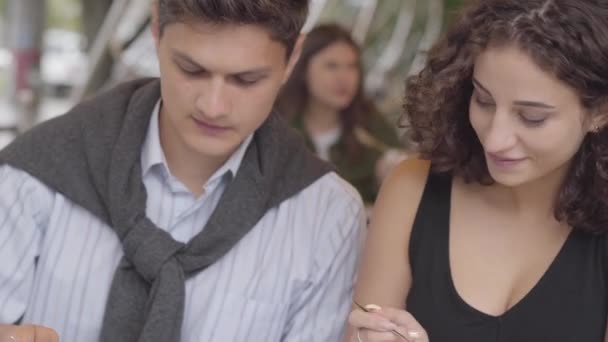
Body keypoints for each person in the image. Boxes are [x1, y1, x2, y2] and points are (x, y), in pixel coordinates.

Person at [0, 1, 366, 341]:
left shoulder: (328, 217)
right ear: (157, 29)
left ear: (293, 59)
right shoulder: (33, 175)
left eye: (246, 80)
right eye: (192, 70)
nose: (214, 106)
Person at [346, 0, 608, 341]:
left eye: (532, 118)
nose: (495, 140)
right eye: (483, 100)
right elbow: (360, 334)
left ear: (600, 112)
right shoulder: (412, 189)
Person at [275, 24, 402, 205]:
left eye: (351, 66)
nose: (344, 78)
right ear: (303, 69)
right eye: (331, 66)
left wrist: (390, 180)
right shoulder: (275, 123)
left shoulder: (371, 125)